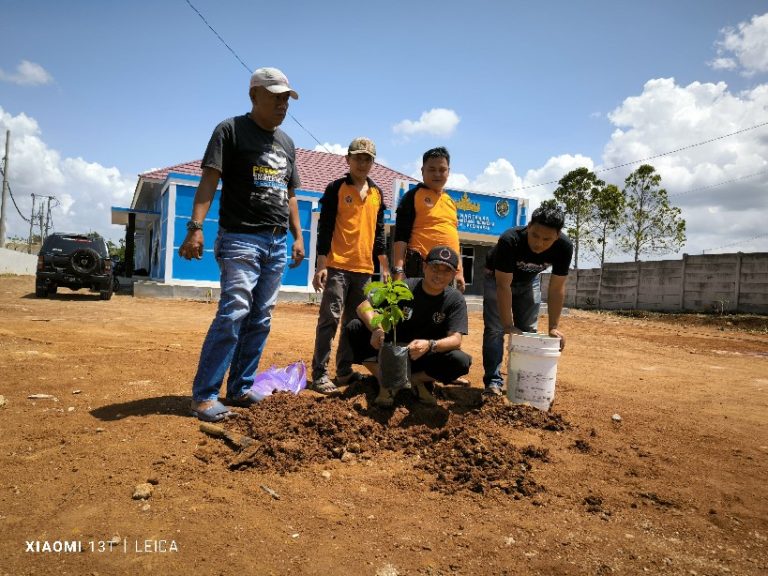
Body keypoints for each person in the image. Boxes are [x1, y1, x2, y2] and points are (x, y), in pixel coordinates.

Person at [179, 67, 305, 422]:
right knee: (235, 311)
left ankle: (240, 387)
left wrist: (298, 236)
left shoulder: (287, 143)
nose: (282, 104)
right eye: (275, 97)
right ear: (254, 96)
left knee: (261, 317)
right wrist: (195, 227)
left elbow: (290, 194)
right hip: (241, 238)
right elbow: (209, 181)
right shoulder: (230, 130)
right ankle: (204, 395)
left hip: (277, 241)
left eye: (286, 99)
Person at [309, 137, 390, 395]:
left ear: (372, 162)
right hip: (337, 266)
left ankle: (343, 370)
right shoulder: (336, 189)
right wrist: (321, 265)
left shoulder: (377, 194)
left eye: (368, 158)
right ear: (348, 159)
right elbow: (325, 228)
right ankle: (320, 373)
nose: (363, 162)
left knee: (353, 321)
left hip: (364, 270)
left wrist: (384, 267)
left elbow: (379, 235)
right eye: (358, 157)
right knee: (329, 319)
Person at [346, 245, 472, 407]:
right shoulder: (404, 287)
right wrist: (377, 329)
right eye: (434, 268)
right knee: (355, 327)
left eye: (446, 270)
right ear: (425, 267)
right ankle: (385, 381)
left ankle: (414, 381)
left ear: (454, 274)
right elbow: (363, 306)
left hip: (423, 357)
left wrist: (430, 345)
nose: (439, 275)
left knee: (460, 360)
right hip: (391, 354)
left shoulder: (455, 299)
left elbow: (456, 339)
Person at [482, 205, 573, 396]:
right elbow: (503, 286)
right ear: (529, 226)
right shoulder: (510, 240)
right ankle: (493, 382)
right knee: (495, 330)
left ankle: (522, 383)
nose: (539, 243)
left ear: (558, 236)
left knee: (528, 333)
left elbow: (556, 289)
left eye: (547, 239)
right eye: (535, 235)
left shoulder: (564, 247)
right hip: (496, 279)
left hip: (529, 280)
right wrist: (507, 324)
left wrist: (553, 327)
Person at [392, 147, 465, 293]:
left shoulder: (450, 202)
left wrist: (459, 272)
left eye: (442, 169)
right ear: (422, 170)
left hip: (448, 271)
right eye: (431, 169)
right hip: (420, 270)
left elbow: (454, 240)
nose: (437, 174)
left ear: (448, 172)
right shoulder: (412, 197)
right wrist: (399, 270)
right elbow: (401, 236)